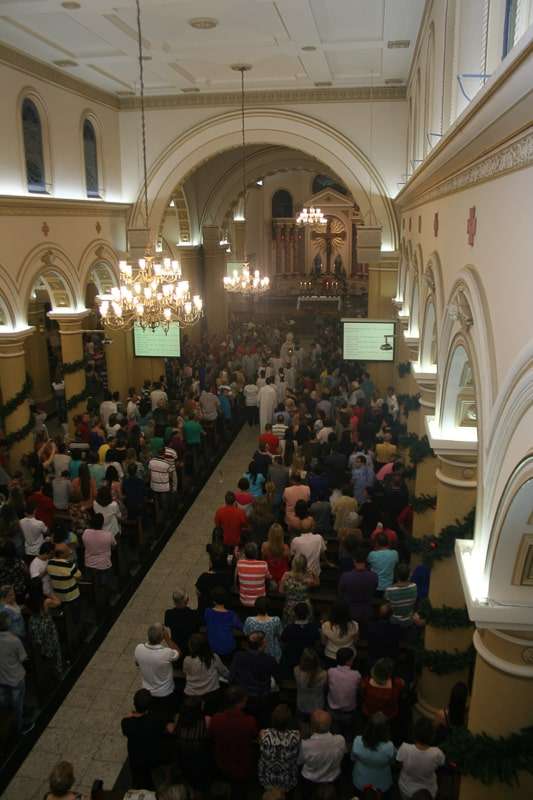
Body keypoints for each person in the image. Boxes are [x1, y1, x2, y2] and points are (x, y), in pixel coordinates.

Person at [210, 686, 259, 788]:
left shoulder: (216, 719)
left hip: (221, 765)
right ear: (241, 701)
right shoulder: (249, 721)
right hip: (242, 767)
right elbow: (255, 736)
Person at [121, 688, 169, 789]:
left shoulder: (126, 723)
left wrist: (131, 716)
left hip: (136, 759)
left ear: (135, 704)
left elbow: (126, 730)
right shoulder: (156, 720)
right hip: (154, 757)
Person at [229, 631, 280, 717]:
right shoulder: (270, 660)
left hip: (243, 698)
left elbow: (231, 677)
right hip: (262, 699)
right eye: (265, 641)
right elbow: (278, 678)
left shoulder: (238, 656)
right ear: (262, 644)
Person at [397, 717, 445, 800]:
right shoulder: (437, 753)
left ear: (414, 733)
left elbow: (399, 764)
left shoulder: (404, 748)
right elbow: (442, 764)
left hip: (406, 790)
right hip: (428, 793)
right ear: (432, 735)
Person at [134, 622, 180, 708]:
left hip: (147, 692)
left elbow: (137, 663)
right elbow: (178, 653)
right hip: (165, 692)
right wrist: (168, 639)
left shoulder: (138, 648)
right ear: (161, 637)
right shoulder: (166, 653)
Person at [351, 712, 396, 798]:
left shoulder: (357, 741)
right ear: (386, 729)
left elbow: (353, 758)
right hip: (382, 783)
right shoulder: (389, 746)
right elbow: (392, 762)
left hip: (360, 780)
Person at [258, 703, 301, 793]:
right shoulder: (295, 736)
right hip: (287, 781)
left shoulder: (264, 735)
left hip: (267, 780)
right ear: (289, 721)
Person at [298, 709, 346, 789]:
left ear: (312, 727)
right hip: (333, 780)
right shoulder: (340, 740)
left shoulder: (305, 745)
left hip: (310, 781)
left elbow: (300, 761)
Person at [0, 611, 29, 733]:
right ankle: (19, 726)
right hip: (16, 677)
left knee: (5, 703)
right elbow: (23, 657)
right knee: (18, 704)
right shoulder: (13, 640)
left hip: (2, 677)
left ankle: (7, 726)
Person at [183, 633, 229, 703]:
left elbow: (185, 672)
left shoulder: (187, 660)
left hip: (192, 694)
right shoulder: (214, 657)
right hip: (211, 694)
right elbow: (224, 672)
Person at [338, 548, 378, 626]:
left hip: (350, 612)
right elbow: (374, 589)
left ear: (354, 560)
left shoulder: (345, 576)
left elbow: (340, 593)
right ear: (366, 561)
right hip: (367, 612)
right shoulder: (374, 576)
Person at [82, 512, 115, 603]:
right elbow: (114, 545)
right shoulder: (108, 534)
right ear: (102, 523)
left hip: (89, 564)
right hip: (104, 564)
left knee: (91, 584)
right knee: (104, 585)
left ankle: (92, 600)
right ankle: (105, 601)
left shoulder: (86, 532)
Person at [280, 603, 321, 674]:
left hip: (292, 660)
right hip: (308, 661)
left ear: (295, 614)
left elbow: (283, 640)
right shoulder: (314, 628)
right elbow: (317, 642)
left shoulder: (289, 628)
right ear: (308, 614)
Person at [204, 587, 243, 660]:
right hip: (229, 648)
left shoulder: (207, 612)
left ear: (213, 601)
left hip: (213, 648)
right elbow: (241, 627)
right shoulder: (231, 614)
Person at [279, 553, 318, 625]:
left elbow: (281, 591)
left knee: (290, 629)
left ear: (293, 563)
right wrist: (314, 573)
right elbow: (317, 583)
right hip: (305, 607)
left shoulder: (286, 575)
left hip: (290, 607)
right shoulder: (308, 576)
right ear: (305, 564)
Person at [195, 546, 233, 616]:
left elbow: (198, 593)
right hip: (224, 609)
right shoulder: (228, 576)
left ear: (211, 562)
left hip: (207, 610)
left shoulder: (204, 577)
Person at [243, 596, 282, 661]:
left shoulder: (249, 620)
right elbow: (280, 635)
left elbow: (246, 633)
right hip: (272, 654)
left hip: (255, 653)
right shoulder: (276, 620)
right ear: (269, 607)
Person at [164, 588, 201, 655]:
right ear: (187, 600)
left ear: (174, 601)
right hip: (192, 647)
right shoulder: (194, 614)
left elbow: (167, 624)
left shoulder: (168, 614)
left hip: (177, 646)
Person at [236, 541, 271, 607]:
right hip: (260, 602)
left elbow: (237, 579)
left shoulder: (240, 563)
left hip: (244, 600)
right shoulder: (263, 564)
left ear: (245, 554)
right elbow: (269, 578)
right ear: (256, 553)